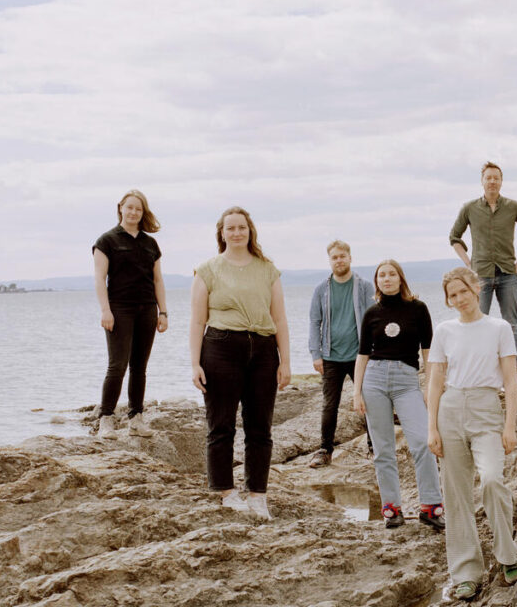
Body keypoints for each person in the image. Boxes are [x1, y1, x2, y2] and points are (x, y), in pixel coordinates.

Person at [427, 267, 517, 602]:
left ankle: (507, 555)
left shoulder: (499, 328)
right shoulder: (444, 331)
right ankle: (466, 572)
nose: (458, 299)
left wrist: (509, 425)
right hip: (450, 410)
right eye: (452, 296)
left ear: (475, 288)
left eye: (463, 291)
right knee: (455, 495)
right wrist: (432, 427)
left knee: (493, 479)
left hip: (486, 410)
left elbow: (511, 381)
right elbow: (436, 380)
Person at [189, 206, 291, 519]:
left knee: (260, 426)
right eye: (230, 228)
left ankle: (257, 494)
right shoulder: (207, 270)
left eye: (241, 228)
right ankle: (224, 490)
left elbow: (280, 318)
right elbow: (197, 321)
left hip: (262, 349)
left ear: (250, 231)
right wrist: (195, 364)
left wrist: (285, 361)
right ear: (221, 233)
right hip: (220, 348)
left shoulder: (267, 269)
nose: (236, 233)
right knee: (221, 424)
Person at [352, 259, 444, 531]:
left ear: (401, 278)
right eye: (382, 275)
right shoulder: (371, 313)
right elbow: (362, 355)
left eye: (392, 274)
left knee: (422, 442)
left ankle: (431, 507)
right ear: (377, 281)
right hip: (374, 380)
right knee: (383, 449)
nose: (387, 278)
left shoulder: (418, 309)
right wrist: (356, 392)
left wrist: (430, 386)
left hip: (406, 381)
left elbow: (428, 352)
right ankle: (392, 509)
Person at [92, 189, 168, 439]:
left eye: (139, 209)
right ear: (121, 208)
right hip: (119, 309)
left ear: (142, 212)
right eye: (130, 207)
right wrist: (106, 310)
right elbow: (100, 279)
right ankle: (106, 419)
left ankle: (136, 417)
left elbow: (158, 280)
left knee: (139, 367)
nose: (134, 212)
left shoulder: (150, 244)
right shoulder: (107, 241)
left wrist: (163, 311)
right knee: (117, 366)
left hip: (146, 309)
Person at [449, 162, 517, 350]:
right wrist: (468, 263)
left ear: (501, 181)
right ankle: (476, 364)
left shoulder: (513, 207)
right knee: (475, 320)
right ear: (482, 181)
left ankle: (511, 368)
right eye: (488, 178)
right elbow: (454, 237)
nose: (492, 181)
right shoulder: (469, 208)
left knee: (510, 324)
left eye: (496, 178)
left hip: (508, 273)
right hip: (480, 276)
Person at [307, 240, 375, 467]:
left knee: (369, 402)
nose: (339, 260)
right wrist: (316, 354)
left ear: (350, 258)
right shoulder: (321, 290)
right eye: (334, 257)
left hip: (360, 356)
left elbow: (373, 318)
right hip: (331, 356)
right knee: (329, 404)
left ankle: (374, 447)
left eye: (342, 256)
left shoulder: (364, 286)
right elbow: (314, 322)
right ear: (330, 260)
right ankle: (325, 450)